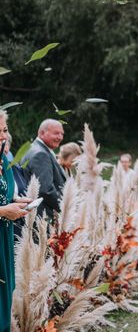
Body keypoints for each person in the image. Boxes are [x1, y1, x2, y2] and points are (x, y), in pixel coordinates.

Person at [0, 111, 31, 332]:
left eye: (4, 130)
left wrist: (16, 201)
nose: (4, 136)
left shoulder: (3, 159)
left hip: (4, 237)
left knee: (5, 294)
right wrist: (2, 210)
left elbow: (4, 193)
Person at [21, 119, 66, 219]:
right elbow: (46, 190)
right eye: (56, 133)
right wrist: (66, 207)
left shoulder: (33, 148)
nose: (60, 137)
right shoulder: (41, 154)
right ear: (42, 133)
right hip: (44, 216)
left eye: (62, 134)